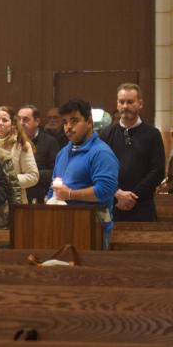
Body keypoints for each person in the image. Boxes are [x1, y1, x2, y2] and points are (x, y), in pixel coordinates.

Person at [48, 98, 120, 248]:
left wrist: (70, 194)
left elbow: (105, 190)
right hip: (61, 225)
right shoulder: (63, 153)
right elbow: (53, 190)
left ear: (89, 122)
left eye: (74, 121)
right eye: (65, 122)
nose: (68, 127)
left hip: (92, 227)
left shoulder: (101, 153)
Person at [99, 83, 164, 223]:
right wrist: (117, 193)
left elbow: (158, 170)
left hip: (143, 206)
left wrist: (133, 196)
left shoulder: (152, 134)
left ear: (140, 104)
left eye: (130, 102)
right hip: (113, 204)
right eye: (121, 102)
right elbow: (99, 170)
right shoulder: (106, 135)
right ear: (117, 104)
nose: (125, 106)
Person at [0, 106, 38, 204]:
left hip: (14, 200)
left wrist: (9, 179)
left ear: (12, 124)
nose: (0, 123)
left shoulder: (22, 145)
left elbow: (33, 176)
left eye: (4, 120)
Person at [19, 104, 60, 204]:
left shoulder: (50, 142)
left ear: (37, 121)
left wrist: (31, 175)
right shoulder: (13, 141)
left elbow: (55, 172)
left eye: (25, 119)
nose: (21, 123)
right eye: (19, 119)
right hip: (17, 196)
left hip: (39, 198)